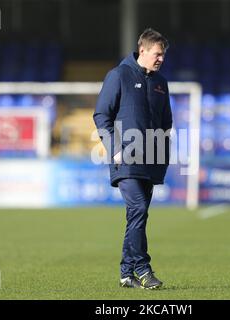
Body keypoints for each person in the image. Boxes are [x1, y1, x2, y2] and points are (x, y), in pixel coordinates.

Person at [93, 28, 172, 289]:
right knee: (138, 209)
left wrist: (162, 152)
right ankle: (143, 269)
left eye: (163, 55)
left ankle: (126, 274)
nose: (160, 58)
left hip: (151, 160)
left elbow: (166, 122)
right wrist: (114, 148)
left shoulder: (161, 82)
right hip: (124, 157)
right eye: (157, 54)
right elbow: (101, 115)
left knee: (136, 215)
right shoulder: (118, 75)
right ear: (143, 50)